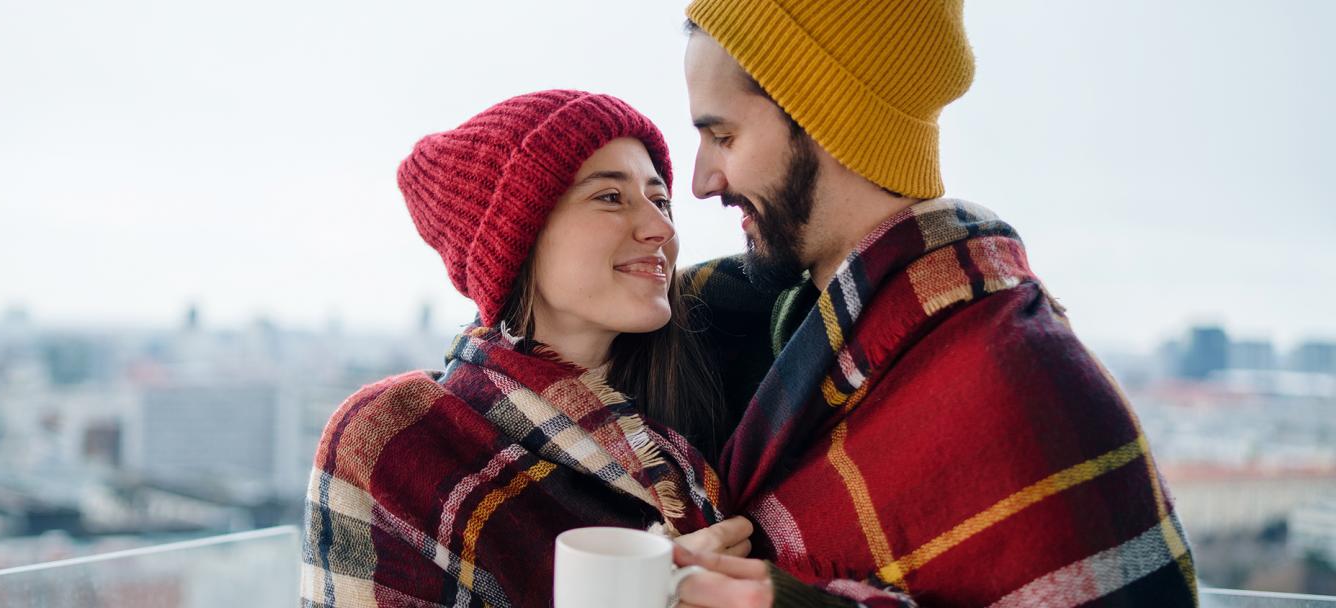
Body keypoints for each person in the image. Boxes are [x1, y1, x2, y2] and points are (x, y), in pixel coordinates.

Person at [669, 0, 1201, 606]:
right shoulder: (726, 320)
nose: (701, 180)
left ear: (829, 119)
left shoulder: (1023, 382)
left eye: (723, 136)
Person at [299, 90, 756, 607]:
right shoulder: (397, 437)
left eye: (661, 199)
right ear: (520, 233)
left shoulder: (736, 367)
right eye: (610, 197)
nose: (662, 228)